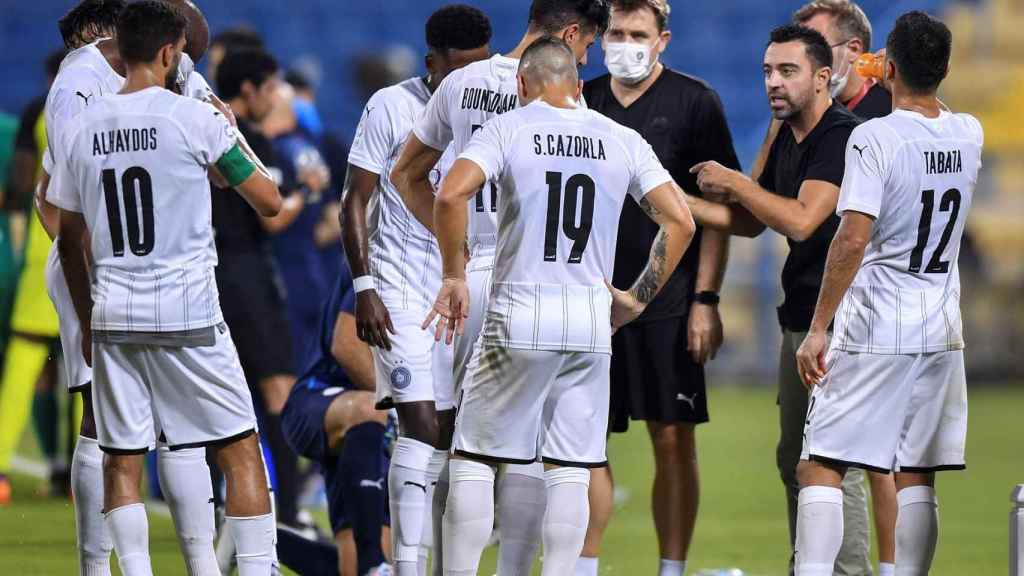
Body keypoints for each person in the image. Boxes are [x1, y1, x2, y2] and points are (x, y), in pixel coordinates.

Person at [430, 37, 696, 576]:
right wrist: (635, 301)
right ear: (578, 86)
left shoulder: (510, 126)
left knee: (477, 457)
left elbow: (450, 194)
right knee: (572, 466)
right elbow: (682, 221)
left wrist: (455, 275)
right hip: (589, 317)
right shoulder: (621, 137)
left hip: (521, 309)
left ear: (523, 85)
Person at [49, 2, 281, 574]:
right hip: (189, 315)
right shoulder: (193, 118)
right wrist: (228, 132)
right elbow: (269, 200)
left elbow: (67, 236)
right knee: (239, 449)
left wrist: (85, 321)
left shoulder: (83, 127)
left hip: (114, 316)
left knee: (121, 458)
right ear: (169, 52)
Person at [390, 2, 609, 573]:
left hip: (472, 275)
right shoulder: (568, 102)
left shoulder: (461, 84)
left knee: (463, 436)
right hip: (533, 278)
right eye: (586, 48)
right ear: (568, 36)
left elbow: (408, 175)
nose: (584, 60)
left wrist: (453, 256)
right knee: (534, 448)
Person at [794, 11, 977, 575]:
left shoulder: (873, 136)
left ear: (888, 66)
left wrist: (819, 327)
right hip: (941, 323)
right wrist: (901, 73)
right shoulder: (969, 131)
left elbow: (852, 238)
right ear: (945, 68)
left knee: (820, 464)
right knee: (915, 470)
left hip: (878, 321)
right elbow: (931, 108)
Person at [685, 24, 862, 574]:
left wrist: (734, 184)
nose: (773, 83)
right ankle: (807, 565)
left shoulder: (841, 135)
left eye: (788, 71)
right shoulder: (782, 129)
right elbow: (751, 221)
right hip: (799, 317)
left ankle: (847, 570)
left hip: (839, 322)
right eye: (767, 71)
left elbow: (805, 221)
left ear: (823, 77)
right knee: (795, 459)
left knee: (830, 462)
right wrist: (670, 201)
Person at [580, 2, 738, 573]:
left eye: (638, 34)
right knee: (581, 446)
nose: (626, 43)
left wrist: (706, 299)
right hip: (588, 301)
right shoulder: (579, 98)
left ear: (663, 39)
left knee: (672, 440)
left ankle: (671, 567)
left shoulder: (696, 103)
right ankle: (582, 563)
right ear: (599, 37)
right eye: (616, 33)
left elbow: (720, 214)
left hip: (666, 303)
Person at [342, 6, 491, 575]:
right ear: (432, 64)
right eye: (459, 69)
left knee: (450, 434)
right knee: (423, 423)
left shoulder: (494, 105)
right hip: (400, 288)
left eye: (480, 65)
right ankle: (405, 563)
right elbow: (355, 199)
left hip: (461, 292)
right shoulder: (390, 106)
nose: (470, 80)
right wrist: (364, 286)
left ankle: (437, 561)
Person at [214, 47, 307, 530]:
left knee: (213, 398)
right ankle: (287, 515)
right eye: (270, 86)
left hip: (205, 275)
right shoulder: (248, 142)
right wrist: (303, 193)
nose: (275, 96)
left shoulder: (195, 130)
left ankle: (218, 513)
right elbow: (271, 217)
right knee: (278, 393)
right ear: (248, 90)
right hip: (247, 274)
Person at [279, 260, 393, 576]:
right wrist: (403, 408)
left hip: (370, 432)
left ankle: (258, 541)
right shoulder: (380, 255)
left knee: (350, 570)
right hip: (323, 400)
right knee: (371, 408)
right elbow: (346, 346)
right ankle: (375, 565)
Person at [0, 48, 70, 505]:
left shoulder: (38, 112)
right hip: (93, 249)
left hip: (44, 249)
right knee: (90, 366)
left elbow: (22, 184)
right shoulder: (106, 107)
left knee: (24, 361)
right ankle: (98, 473)